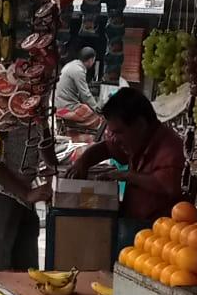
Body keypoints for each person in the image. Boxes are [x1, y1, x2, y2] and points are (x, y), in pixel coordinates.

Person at [67, 87, 185, 254]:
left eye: (118, 132)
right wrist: (84, 161)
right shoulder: (134, 140)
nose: (114, 138)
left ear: (140, 125)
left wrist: (126, 176)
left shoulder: (171, 149)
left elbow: (167, 185)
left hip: (161, 241)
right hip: (130, 226)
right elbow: (107, 148)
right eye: (112, 132)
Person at [0, 125, 52, 271]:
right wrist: (26, 194)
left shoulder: (37, 114)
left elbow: (46, 149)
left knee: (26, 268)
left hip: (25, 198)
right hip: (0, 195)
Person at [54, 47, 104, 141]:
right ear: (91, 60)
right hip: (65, 108)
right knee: (95, 117)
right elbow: (85, 94)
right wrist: (97, 108)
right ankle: (88, 137)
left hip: (59, 102)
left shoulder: (71, 65)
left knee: (86, 107)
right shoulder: (78, 71)